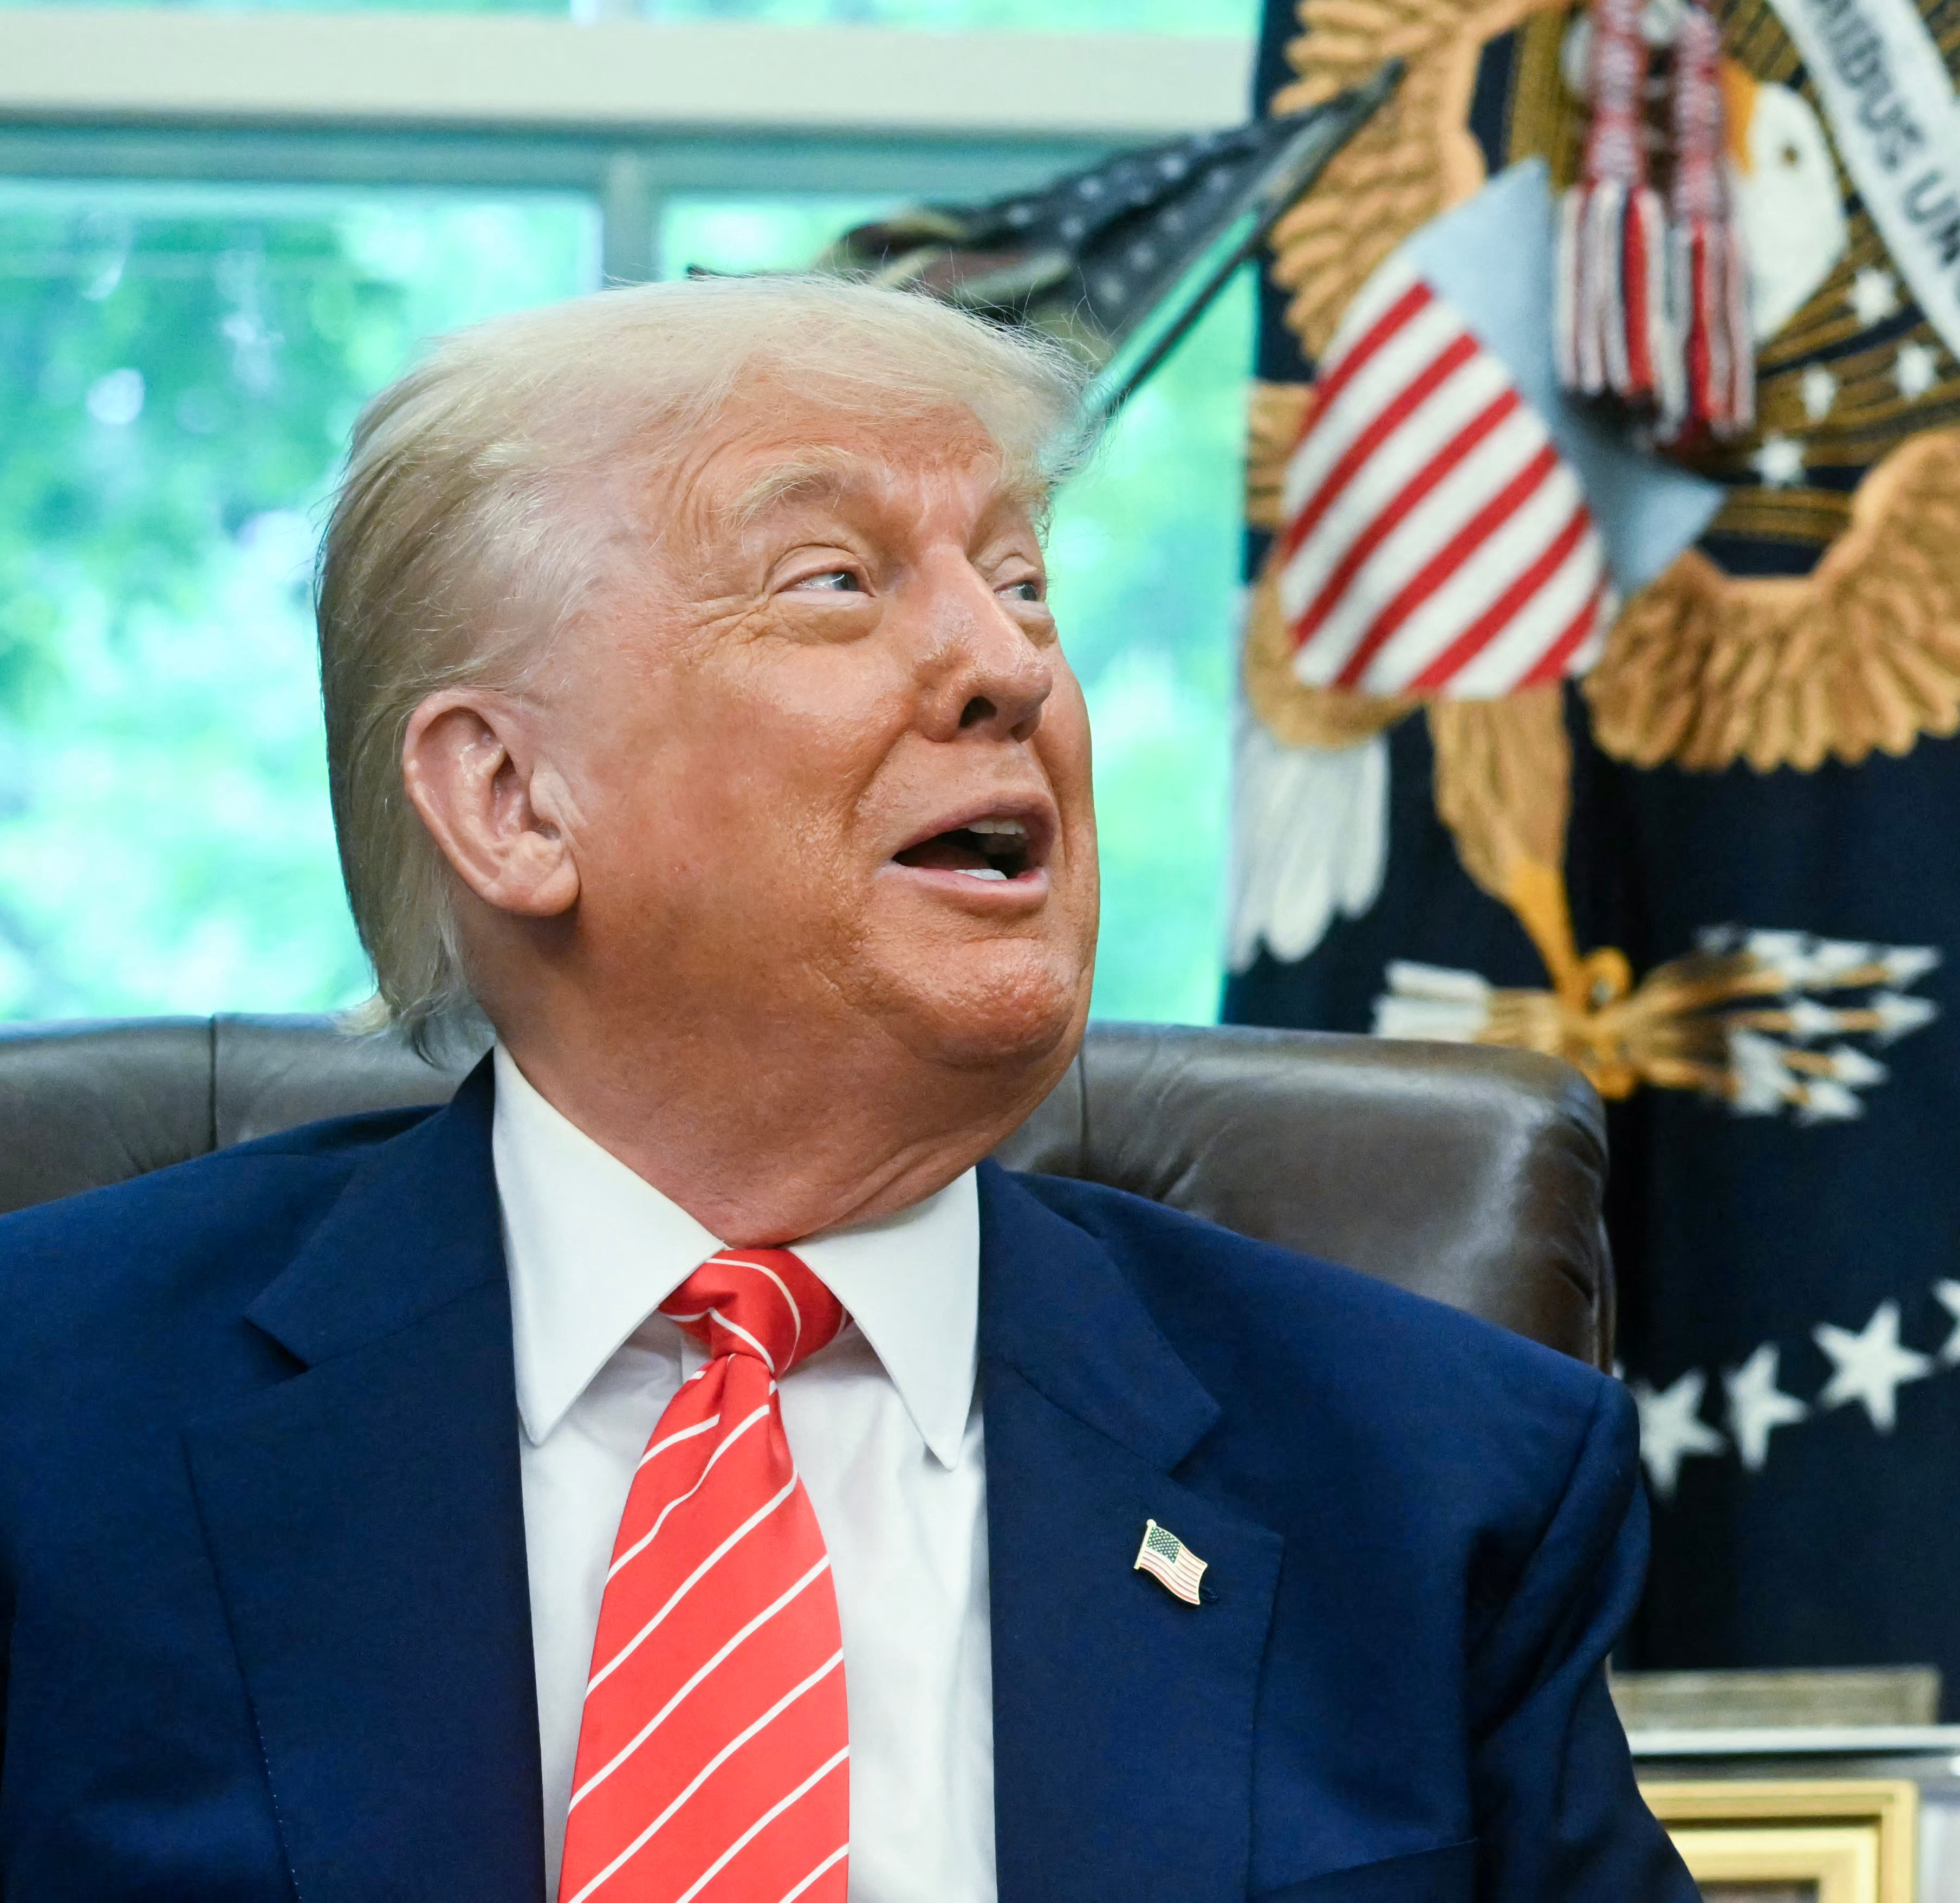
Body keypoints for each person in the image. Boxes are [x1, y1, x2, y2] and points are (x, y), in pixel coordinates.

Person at [0, 274, 1699, 1902]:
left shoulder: (1430, 1481)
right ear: (513, 800)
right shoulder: (52, 1427)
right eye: (836, 582)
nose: (1009, 668)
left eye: (1024, 583)